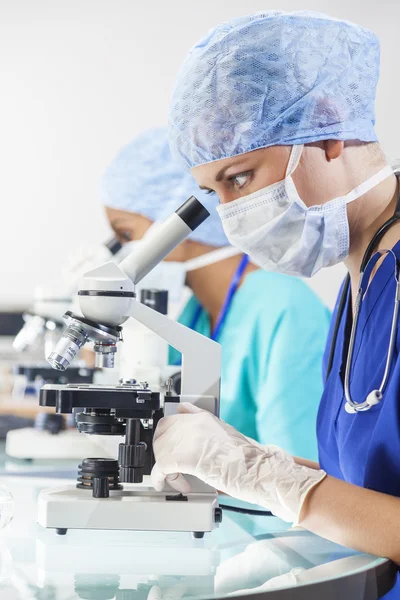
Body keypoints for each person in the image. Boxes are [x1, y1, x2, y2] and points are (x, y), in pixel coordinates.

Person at [151, 10, 400, 595]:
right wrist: (246, 463)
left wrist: (268, 479)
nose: (232, 216)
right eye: (214, 192)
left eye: (239, 177)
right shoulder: (359, 284)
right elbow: (368, 486)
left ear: (326, 128)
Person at [101, 127, 331, 459]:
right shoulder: (195, 312)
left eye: (125, 233)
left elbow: (303, 475)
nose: (123, 253)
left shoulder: (284, 308)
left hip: (264, 512)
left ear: (178, 219)